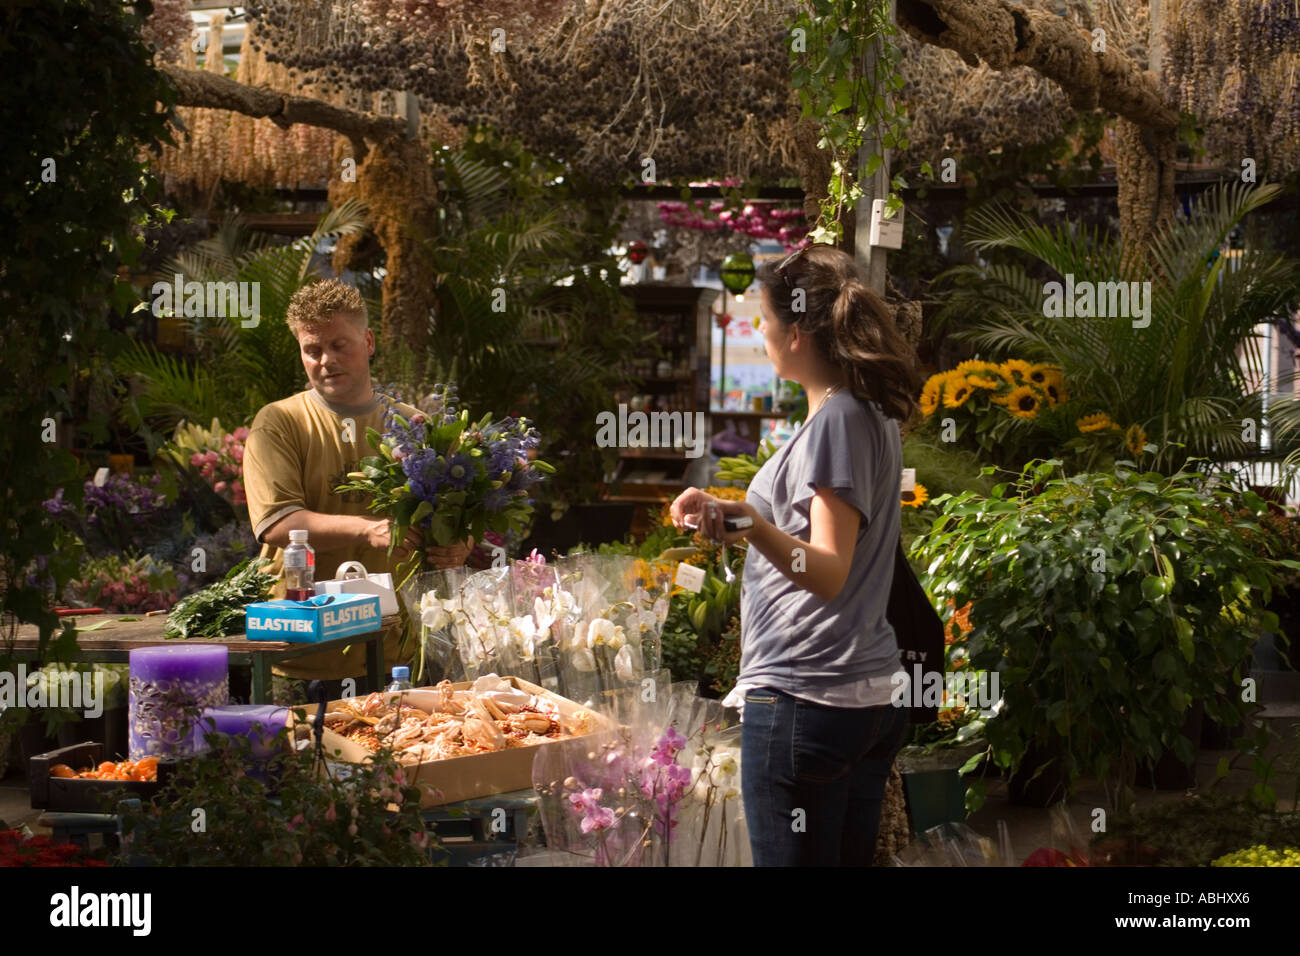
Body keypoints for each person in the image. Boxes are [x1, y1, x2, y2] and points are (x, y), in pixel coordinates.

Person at [670, 244, 922, 866]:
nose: (760, 330)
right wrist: (737, 517)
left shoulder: (838, 419)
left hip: (808, 696)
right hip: (855, 697)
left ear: (799, 331)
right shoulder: (863, 412)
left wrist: (753, 524)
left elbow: (829, 569)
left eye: (765, 318)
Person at [242, 278, 471, 704]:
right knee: (302, 768)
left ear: (368, 341)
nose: (326, 360)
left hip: (397, 652)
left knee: (400, 766)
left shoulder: (415, 426)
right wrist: (367, 529)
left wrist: (457, 545)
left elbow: (455, 517)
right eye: (313, 349)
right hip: (304, 652)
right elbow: (278, 523)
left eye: (339, 344)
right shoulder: (278, 422)